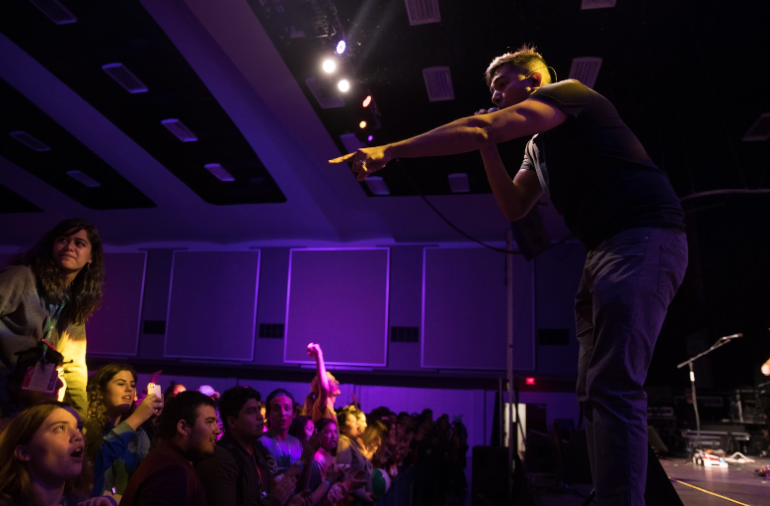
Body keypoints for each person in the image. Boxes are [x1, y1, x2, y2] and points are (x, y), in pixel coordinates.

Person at [330, 44, 688, 505]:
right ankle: (614, 494)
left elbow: (483, 125)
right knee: (591, 390)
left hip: (643, 236)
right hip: (602, 251)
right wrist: (488, 148)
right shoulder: (537, 149)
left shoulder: (570, 93)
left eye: (502, 84)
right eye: (493, 89)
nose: (495, 95)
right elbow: (514, 205)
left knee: (612, 382)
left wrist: (390, 150)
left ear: (533, 82)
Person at [1, 219, 105, 419]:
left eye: (79, 243)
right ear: (52, 246)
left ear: (91, 257)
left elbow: (74, 368)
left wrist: (80, 419)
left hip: (28, 406)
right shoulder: (21, 277)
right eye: (63, 240)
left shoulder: (75, 303)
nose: (69, 247)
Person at [196, 385, 302, 506]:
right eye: (251, 412)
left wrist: (287, 502)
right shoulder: (221, 459)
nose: (259, 416)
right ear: (231, 422)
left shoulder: (258, 450)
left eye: (258, 409)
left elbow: (264, 493)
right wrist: (274, 501)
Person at [0, 402, 113, 506]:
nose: (78, 436)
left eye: (78, 428)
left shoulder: (84, 501)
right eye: (60, 428)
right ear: (24, 452)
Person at [119, 391, 220, 506]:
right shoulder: (171, 473)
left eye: (216, 422)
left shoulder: (166, 459)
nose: (217, 430)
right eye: (210, 422)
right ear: (183, 427)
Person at [84, 364, 162, 498]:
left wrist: (153, 425)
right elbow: (94, 466)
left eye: (132, 385)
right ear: (101, 390)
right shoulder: (86, 428)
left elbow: (151, 472)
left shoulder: (138, 433)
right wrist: (137, 417)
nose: (129, 389)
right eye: (121, 384)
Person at [336, 406, 375, 504]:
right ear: (342, 428)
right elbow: (344, 476)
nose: (358, 425)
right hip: (352, 500)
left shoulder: (352, 442)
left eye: (357, 421)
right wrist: (362, 494)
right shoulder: (343, 443)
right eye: (353, 422)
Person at [303, 343, 340, 423]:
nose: (337, 382)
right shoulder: (320, 406)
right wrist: (318, 355)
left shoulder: (329, 408)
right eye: (333, 381)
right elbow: (324, 389)